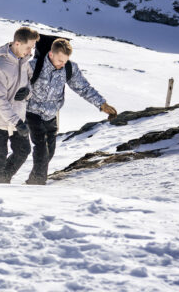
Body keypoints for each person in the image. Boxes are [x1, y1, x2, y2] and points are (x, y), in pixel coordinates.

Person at [22, 38, 117, 185]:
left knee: (49, 152)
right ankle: (36, 186)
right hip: (32, 113)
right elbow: (17, 87)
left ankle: (31, 183)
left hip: (51, 115)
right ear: (51, 54)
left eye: (65, 61)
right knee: (41, 149)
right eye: (60, 60)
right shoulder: (33, 67)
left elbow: (83, 88)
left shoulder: (69, 68)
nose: (62, 64)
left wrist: (102, 104)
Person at [0, 27, 39, 184]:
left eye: (32, 48)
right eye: (28, 47)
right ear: (18, 43)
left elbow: (30, 83)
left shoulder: (24, 62)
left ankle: (2, 182)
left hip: (17, 117)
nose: (30, 51)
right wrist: (18, 123)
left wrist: (28, 92)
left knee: (23, 150)